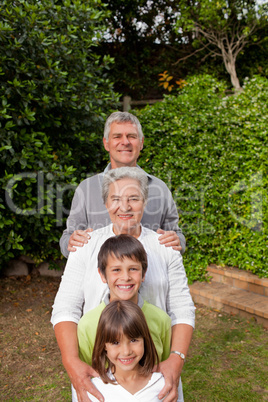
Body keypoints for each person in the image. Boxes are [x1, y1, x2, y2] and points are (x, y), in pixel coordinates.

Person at [51, 167, 195, 402]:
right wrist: (72, 363)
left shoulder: (165, 246)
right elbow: (65, 308)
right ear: (106, 203)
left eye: (133, 199)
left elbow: (182, 310)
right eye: (116, 199)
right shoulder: (85, 245)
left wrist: (176, 359)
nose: (125, 207)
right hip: (97, 376)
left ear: (145, 202)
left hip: (155, 374)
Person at [59, 111, 186, 258]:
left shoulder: (160, 188)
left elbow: (177, 235)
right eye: (117, 136)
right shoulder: (86, 188)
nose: (125, 142)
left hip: (151, 277)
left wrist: (178, 242)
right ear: (106, 143)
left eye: (131, 136)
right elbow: (67, 238)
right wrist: (70, 242)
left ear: (141, 143)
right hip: (99, 279)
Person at [74, 235, 173, 401]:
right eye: (116, 270)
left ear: (143, 273)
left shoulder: (161, 319)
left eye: (133, 269)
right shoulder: (87, 324)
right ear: (102, 274)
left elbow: (165, 367)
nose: (126, 277)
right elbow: (87, 375)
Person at [73, 300, 166, 402]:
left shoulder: (163, 385)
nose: (126, 352)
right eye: (116, 343)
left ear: (145, 339)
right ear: (104, 345)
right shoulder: (94, 389)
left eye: (133, 340)